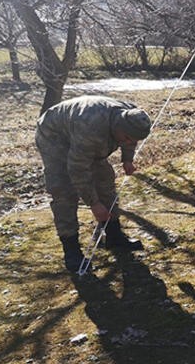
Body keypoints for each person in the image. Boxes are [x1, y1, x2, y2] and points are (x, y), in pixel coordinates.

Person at [36, 95, 152, 273]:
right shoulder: (90, 127)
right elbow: (78, 169)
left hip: (86, 136)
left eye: (133, 140)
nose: (129, 143)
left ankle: (114, 236)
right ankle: (71, 250)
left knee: (105, 180)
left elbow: (132, 138)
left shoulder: (132, 115)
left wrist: (127, 159)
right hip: (54, 136)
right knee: (64, 191)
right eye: (127, 139)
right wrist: (94, 203)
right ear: (118, 127)